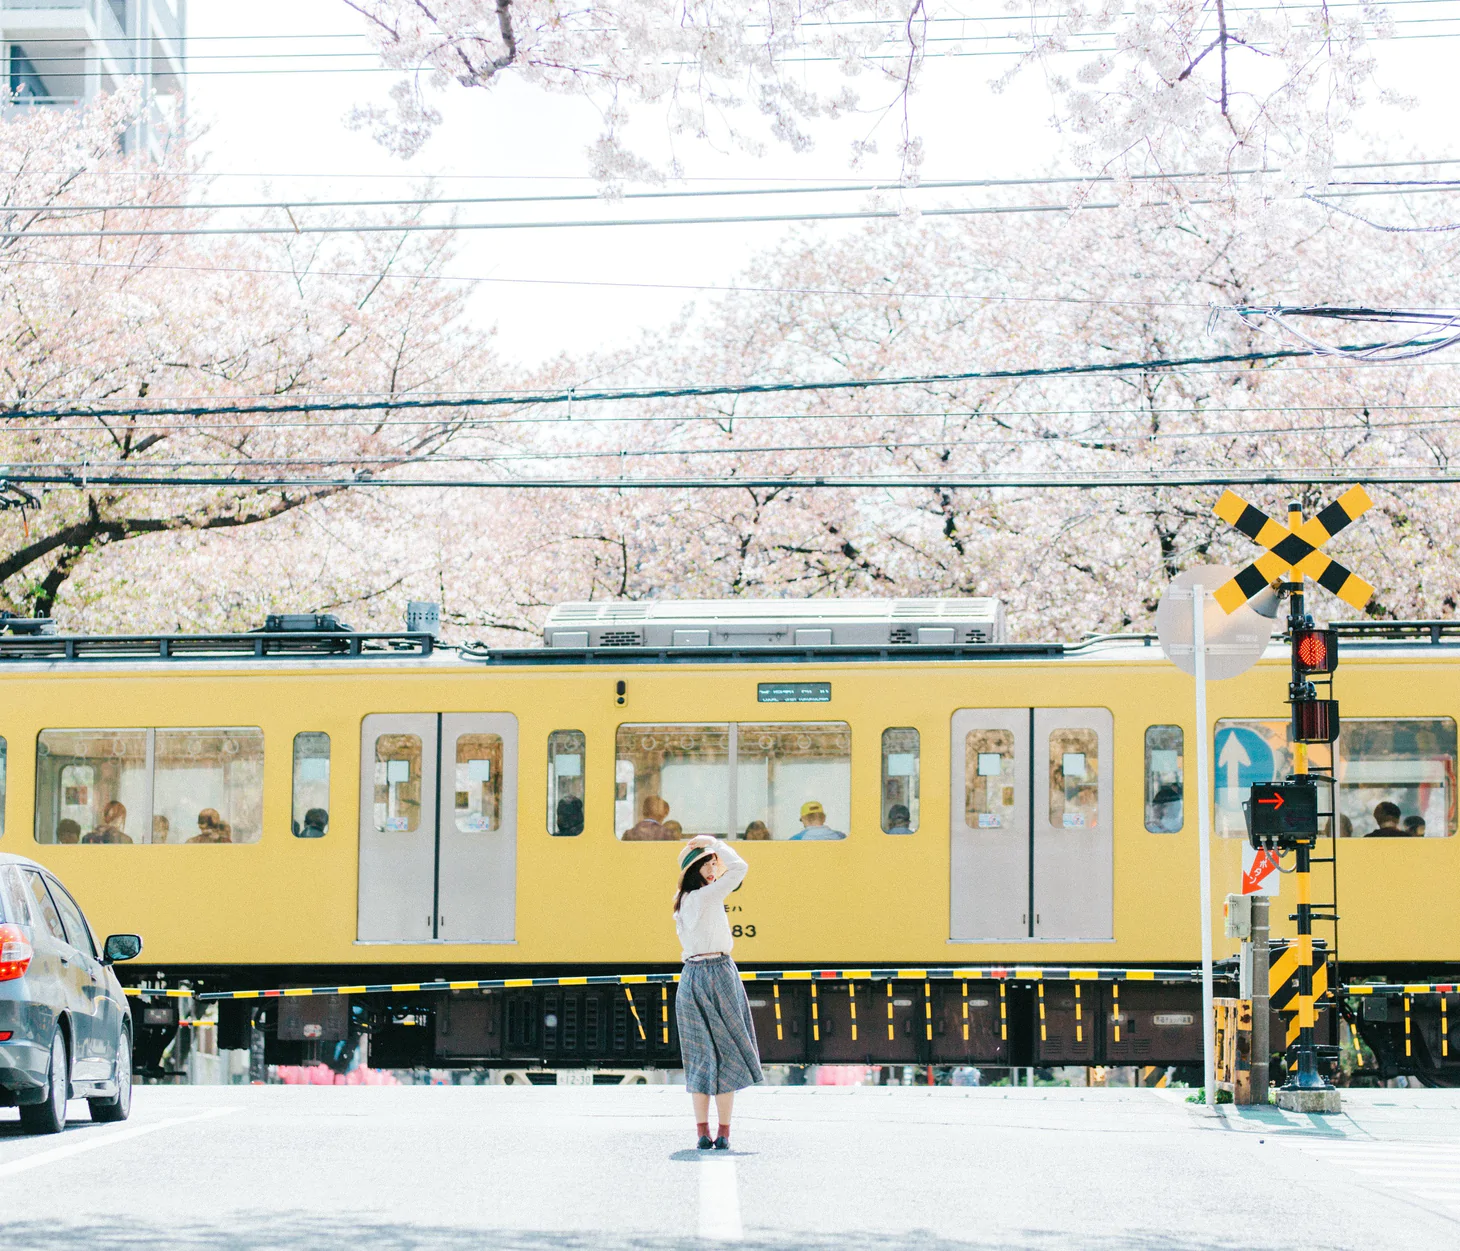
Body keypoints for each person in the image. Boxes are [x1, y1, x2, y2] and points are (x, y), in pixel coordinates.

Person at [673, 835, 762, 1150]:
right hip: (719, 973)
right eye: (709, 864)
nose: (715, 869)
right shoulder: (707, 897)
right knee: (728, 1054)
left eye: (714, 863)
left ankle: (702, 1132)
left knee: (699, 1056)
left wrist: (707, 850)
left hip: (691, 978)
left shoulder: (682, 900)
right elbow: (740, 868)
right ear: (696, 869)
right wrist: (715, 842)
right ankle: (723, 1133)